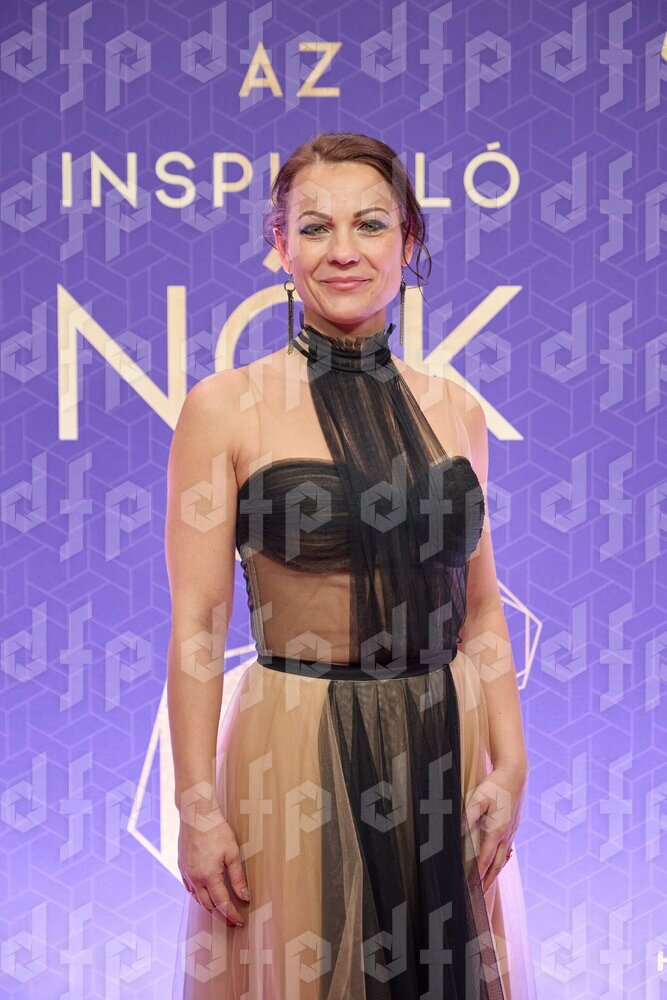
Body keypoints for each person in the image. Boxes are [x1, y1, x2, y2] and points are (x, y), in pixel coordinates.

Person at [166, 132, 537, 999]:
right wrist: (195, 805)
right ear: (279, 246)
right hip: (292, 754)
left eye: (369, 224)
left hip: (444, 749)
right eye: (314, 227)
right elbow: (197, 627)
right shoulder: (224, 408)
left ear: (407, 243)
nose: (343, 250)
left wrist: (510, 763)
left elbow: (481, 609)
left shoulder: (457, 410)